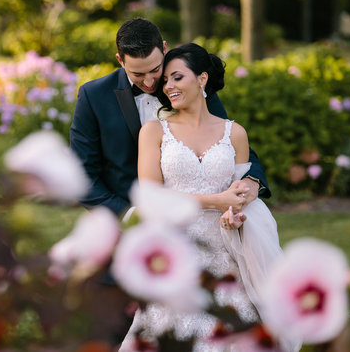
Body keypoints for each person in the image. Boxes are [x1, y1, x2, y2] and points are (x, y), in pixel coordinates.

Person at [119, 43, 300, 352]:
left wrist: (235, 214)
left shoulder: (235, 134)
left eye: (177, 77)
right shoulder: (153, 131)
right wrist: (216, 201)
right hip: (176, 253)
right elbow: (150, 197)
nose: (168, 86)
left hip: (224, 256)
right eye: (166, 81)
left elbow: (240, 194)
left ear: (202, 79)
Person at [69, 17, 270, 219]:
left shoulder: (192, 86)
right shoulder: (94, 96)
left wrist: (252, 182)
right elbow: (82, 175)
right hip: (127, 220)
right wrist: (131, 217)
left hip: (206, 220)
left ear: (164, 48)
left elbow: (227, 142)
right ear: (120, 60)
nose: (149, 82)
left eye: (155, 70)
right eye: (138, 73)